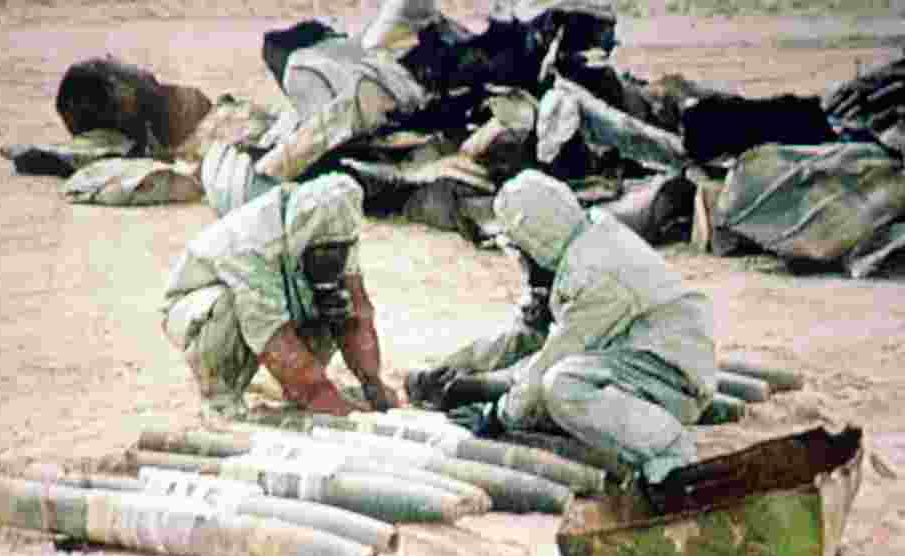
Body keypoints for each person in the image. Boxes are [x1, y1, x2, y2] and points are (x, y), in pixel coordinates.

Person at [409, 169, 717, 485]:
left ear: (534, 240)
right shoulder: (578, 245)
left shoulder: (596, 274)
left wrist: (498, 413)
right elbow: (527, 336)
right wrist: (455, 364)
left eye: (518, 248)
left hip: (673, 378)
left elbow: (552, 360)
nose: (518, 258)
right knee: (539, 383)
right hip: (633, 361)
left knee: (561, 386)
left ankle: (670, 453)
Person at [161, 173, 402, 424]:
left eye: (338, 251)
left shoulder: (337, 225)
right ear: (303, 239)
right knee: (226, 305)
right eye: (322, 252)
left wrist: (372, 383)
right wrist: (331, 403)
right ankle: (222, 399)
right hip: (200, 310)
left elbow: (357, 314)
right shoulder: (254, 244)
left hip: (274, 303)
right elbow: (273, 338)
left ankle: (303, 390)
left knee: (333, 298)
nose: (333, 258)